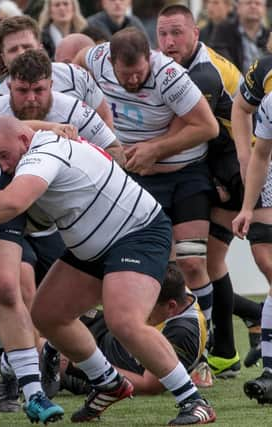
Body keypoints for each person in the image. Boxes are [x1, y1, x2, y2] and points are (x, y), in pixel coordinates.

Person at [0, 115, 217, 425]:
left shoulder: (43, 152)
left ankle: (195, 401)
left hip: (137, 233)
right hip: (95, 243)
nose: (4, 166)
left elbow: (14, 203)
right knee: (47, 315)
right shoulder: (39, 142)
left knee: (124, 321)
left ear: (24, 141)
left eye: (4, 156)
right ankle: (107, 382)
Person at [76, 28, 220, 357]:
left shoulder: (169, 75)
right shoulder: (97, 59)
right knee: (157, 267)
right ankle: (157, 346)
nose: (132, 80)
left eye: (139, 72)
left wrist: (155, 149)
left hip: (185, 174)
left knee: (193, 262)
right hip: (137, 176)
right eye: (125, 75)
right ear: (110, 62)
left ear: (150, 58)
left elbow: (207, 127)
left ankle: (202, 353)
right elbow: (76, 61)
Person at [157, 3, 245, 378]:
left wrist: (225, 183)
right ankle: (225, 351)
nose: (169, 42)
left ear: (196, 34)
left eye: (177, 33)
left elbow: (198, 133)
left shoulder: (204, 74)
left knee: (206, 262)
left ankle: (217, 351)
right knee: (207, 263)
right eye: (162, 34)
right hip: (224, 163)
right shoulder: (176, 65)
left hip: (237, 168)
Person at [64, 263, 207, 396]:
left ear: (171, 306)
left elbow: (149, 385)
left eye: (148, 306)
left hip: (103, 368)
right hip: (107, 331)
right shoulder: (172, 286)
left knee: (48, 347)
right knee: (54, 316)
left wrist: (86, 366)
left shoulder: (183, 332)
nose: (140, 308)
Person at [0, 49, 124, 165]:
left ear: (51, 86)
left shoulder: (75, 111)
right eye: (22, 90)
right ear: (9, 87)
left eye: (38, 90)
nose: (31, 98)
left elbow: (116, 151)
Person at [0, 16, 113, 129]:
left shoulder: (74, 75)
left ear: (40, 48)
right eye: (13, 50)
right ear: (3, 58)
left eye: (27, 47)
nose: (21, 53)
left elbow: (105, 118)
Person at [232, 66, 272, 407]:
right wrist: (246, 206)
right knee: (268, 263)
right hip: (270, 176)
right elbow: (261, 155)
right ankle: (271, 372)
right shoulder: (270, 100)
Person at [209, 0, 270, 73]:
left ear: (265, 9)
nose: (253, 6)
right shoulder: (223, 31)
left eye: (258, 3)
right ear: (238, 8)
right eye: (248, 3)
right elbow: (221, 61)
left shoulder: (269, 35)